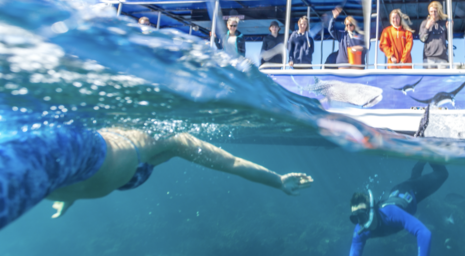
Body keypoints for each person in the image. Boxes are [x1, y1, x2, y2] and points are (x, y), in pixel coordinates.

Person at [0, 124, 314, 230]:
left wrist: (68, 195)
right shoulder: (168, 141)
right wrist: (276, 180)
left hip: (67, 168)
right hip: (76, 151)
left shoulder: (170, 142)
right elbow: (230, 162)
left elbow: (230, 162)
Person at [348, 161, 448, 256]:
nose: (360, 222)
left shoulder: (391, 214)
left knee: (442, 174)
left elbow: (424, 233)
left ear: (372, 209)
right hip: (396, 193)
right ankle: (421, 161)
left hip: (410, 190)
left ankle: (430, 154)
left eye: (361, 216)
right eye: (355, 219)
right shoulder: (359, 230)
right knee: (415, 178)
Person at [418, 1, 450, 69]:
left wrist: (449, 29)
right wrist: (427, 27)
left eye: (435, 11)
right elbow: (422, 39)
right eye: (431, 11)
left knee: (443, 79)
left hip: (442, 58)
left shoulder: (444, 23)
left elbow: (448, 38)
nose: (433, 13)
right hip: (429, 58)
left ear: (439, 11)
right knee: (429, 79)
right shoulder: (424, 23)